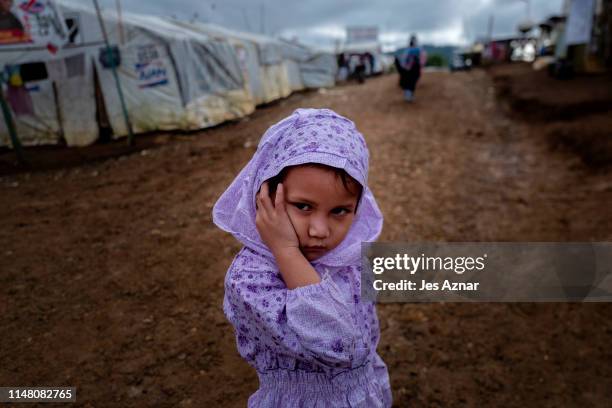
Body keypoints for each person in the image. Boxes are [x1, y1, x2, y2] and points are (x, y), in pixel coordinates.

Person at [213, 108, 392, 407]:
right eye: (303, 206)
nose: (320, 231)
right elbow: (340, 346)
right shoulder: (251, 279)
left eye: (340, 211)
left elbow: (367, 341)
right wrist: (286, 251)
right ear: (265, 196)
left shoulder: (347, 259)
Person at [394, 34, 423, 102]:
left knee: (408, 83)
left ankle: (408, 96)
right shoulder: (418, 50)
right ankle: (409, 96)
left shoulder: (409, 50)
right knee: (411, 83)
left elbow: (404, 59)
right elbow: (421, 59)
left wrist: (404, 67)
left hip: (409, 69)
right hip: (414, 69)